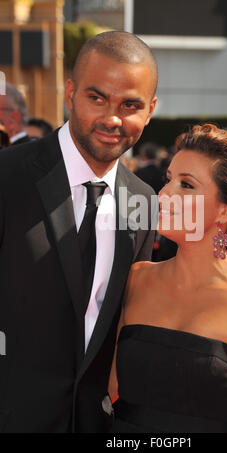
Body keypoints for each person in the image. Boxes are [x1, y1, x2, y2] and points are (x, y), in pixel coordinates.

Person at [0, 31, 158, 433]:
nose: (112, 118)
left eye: (131, 105)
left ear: (151, 110)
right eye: (97, 97)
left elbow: (128, 324)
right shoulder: (8, 177)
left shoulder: (143, 201)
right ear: (70, 92)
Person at [108, 124, 227, 433]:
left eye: (186, 185)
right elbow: (105, 390)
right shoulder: (137, 280)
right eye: (169, 179)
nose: (165, 193)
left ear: (225, 210)